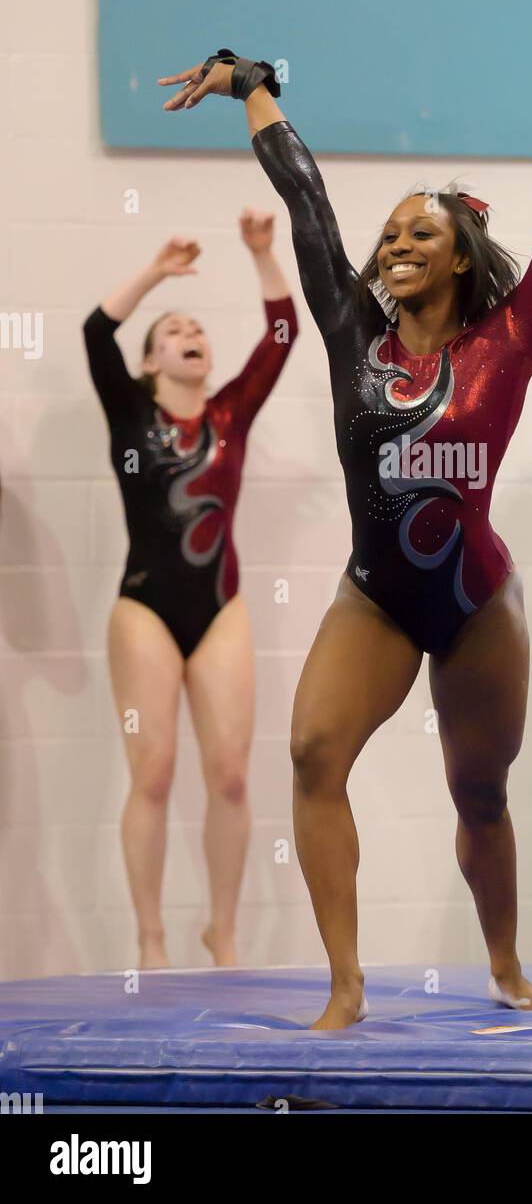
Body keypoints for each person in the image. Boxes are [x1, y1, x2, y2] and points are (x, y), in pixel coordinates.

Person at [159, 52, 532, 1025]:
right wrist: (253, 85)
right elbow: (306, 199)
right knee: (313, 751)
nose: (396, 244)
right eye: (389, 233)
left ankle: (504, 963)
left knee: (480, 793)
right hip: (375, 597)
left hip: (477, 601)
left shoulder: (510, 339)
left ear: (456, 257)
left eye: (421, 232)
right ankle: (346, 986)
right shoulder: (351, 331)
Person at [83, 211, 298, 969]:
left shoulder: (231, 413)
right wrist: (156, 272)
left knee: (231, 776)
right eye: (172, 330)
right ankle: (150, 938)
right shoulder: (129, 411)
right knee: (154, 771)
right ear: (150, 361)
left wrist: (263, 253)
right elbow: (94, 333)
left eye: (197, 327)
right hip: (144, 607)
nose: (190, 333)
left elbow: (282, 336)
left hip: (221, 607)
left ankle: (223, 933)